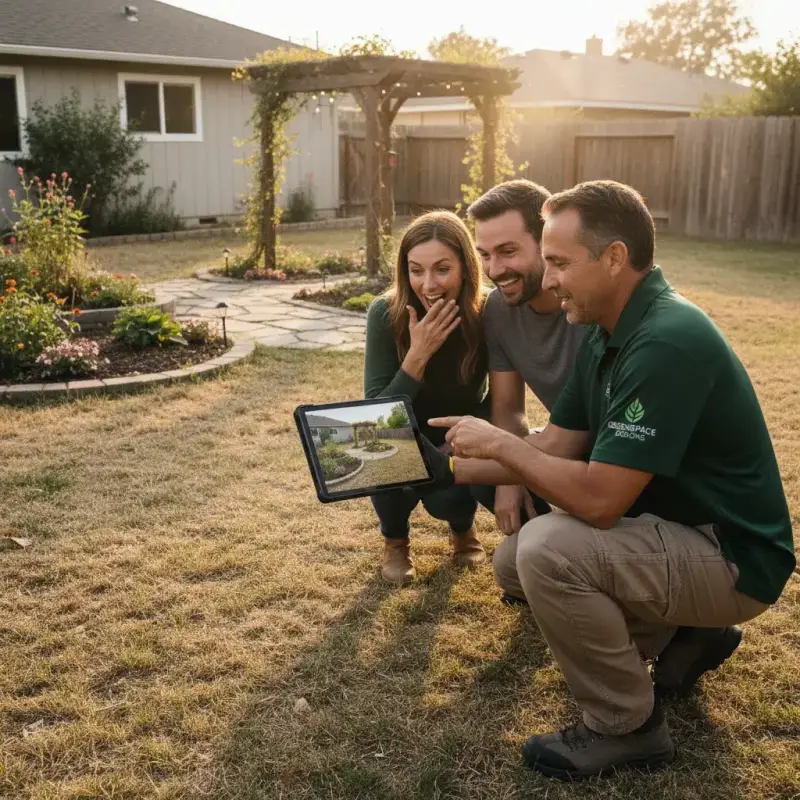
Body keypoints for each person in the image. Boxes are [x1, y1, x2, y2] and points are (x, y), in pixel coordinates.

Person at [423, 180, 795, 779]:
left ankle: (628, 727)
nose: (551, 279)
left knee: (548, 550)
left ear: (615, 258)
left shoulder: (665, 341)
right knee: (517, 559)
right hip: (677, 531)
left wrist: (496, 441)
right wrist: (436, 468)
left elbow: (597, 501)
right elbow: (555, 447)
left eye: (561, 263)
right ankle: (683, 642)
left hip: (734, 559)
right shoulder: (606, 328)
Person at [364, 210, 491, 585]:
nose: (428, 284)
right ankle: (396, 541)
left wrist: (465, 437)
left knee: (448, 500)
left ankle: (462, 530)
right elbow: (376, 412)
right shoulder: (384, 313)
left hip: (455, 436)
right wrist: (418, 355)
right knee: (377, 452)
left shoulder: (488, 312)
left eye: (441, 269)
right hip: (398, 436)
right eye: (416, 270)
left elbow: (502, 394)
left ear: (466, 268)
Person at [466, 180, 586, 544]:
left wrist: (513, 465)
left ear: (545, 243)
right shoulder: (498, 311)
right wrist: (508, 476)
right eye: (484, 254)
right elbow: (507, 407)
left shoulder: (589, 304)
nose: (494, 270)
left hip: (613, 453)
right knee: (484, 468)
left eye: (507, 251)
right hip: (565, 447)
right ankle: (540, 543)